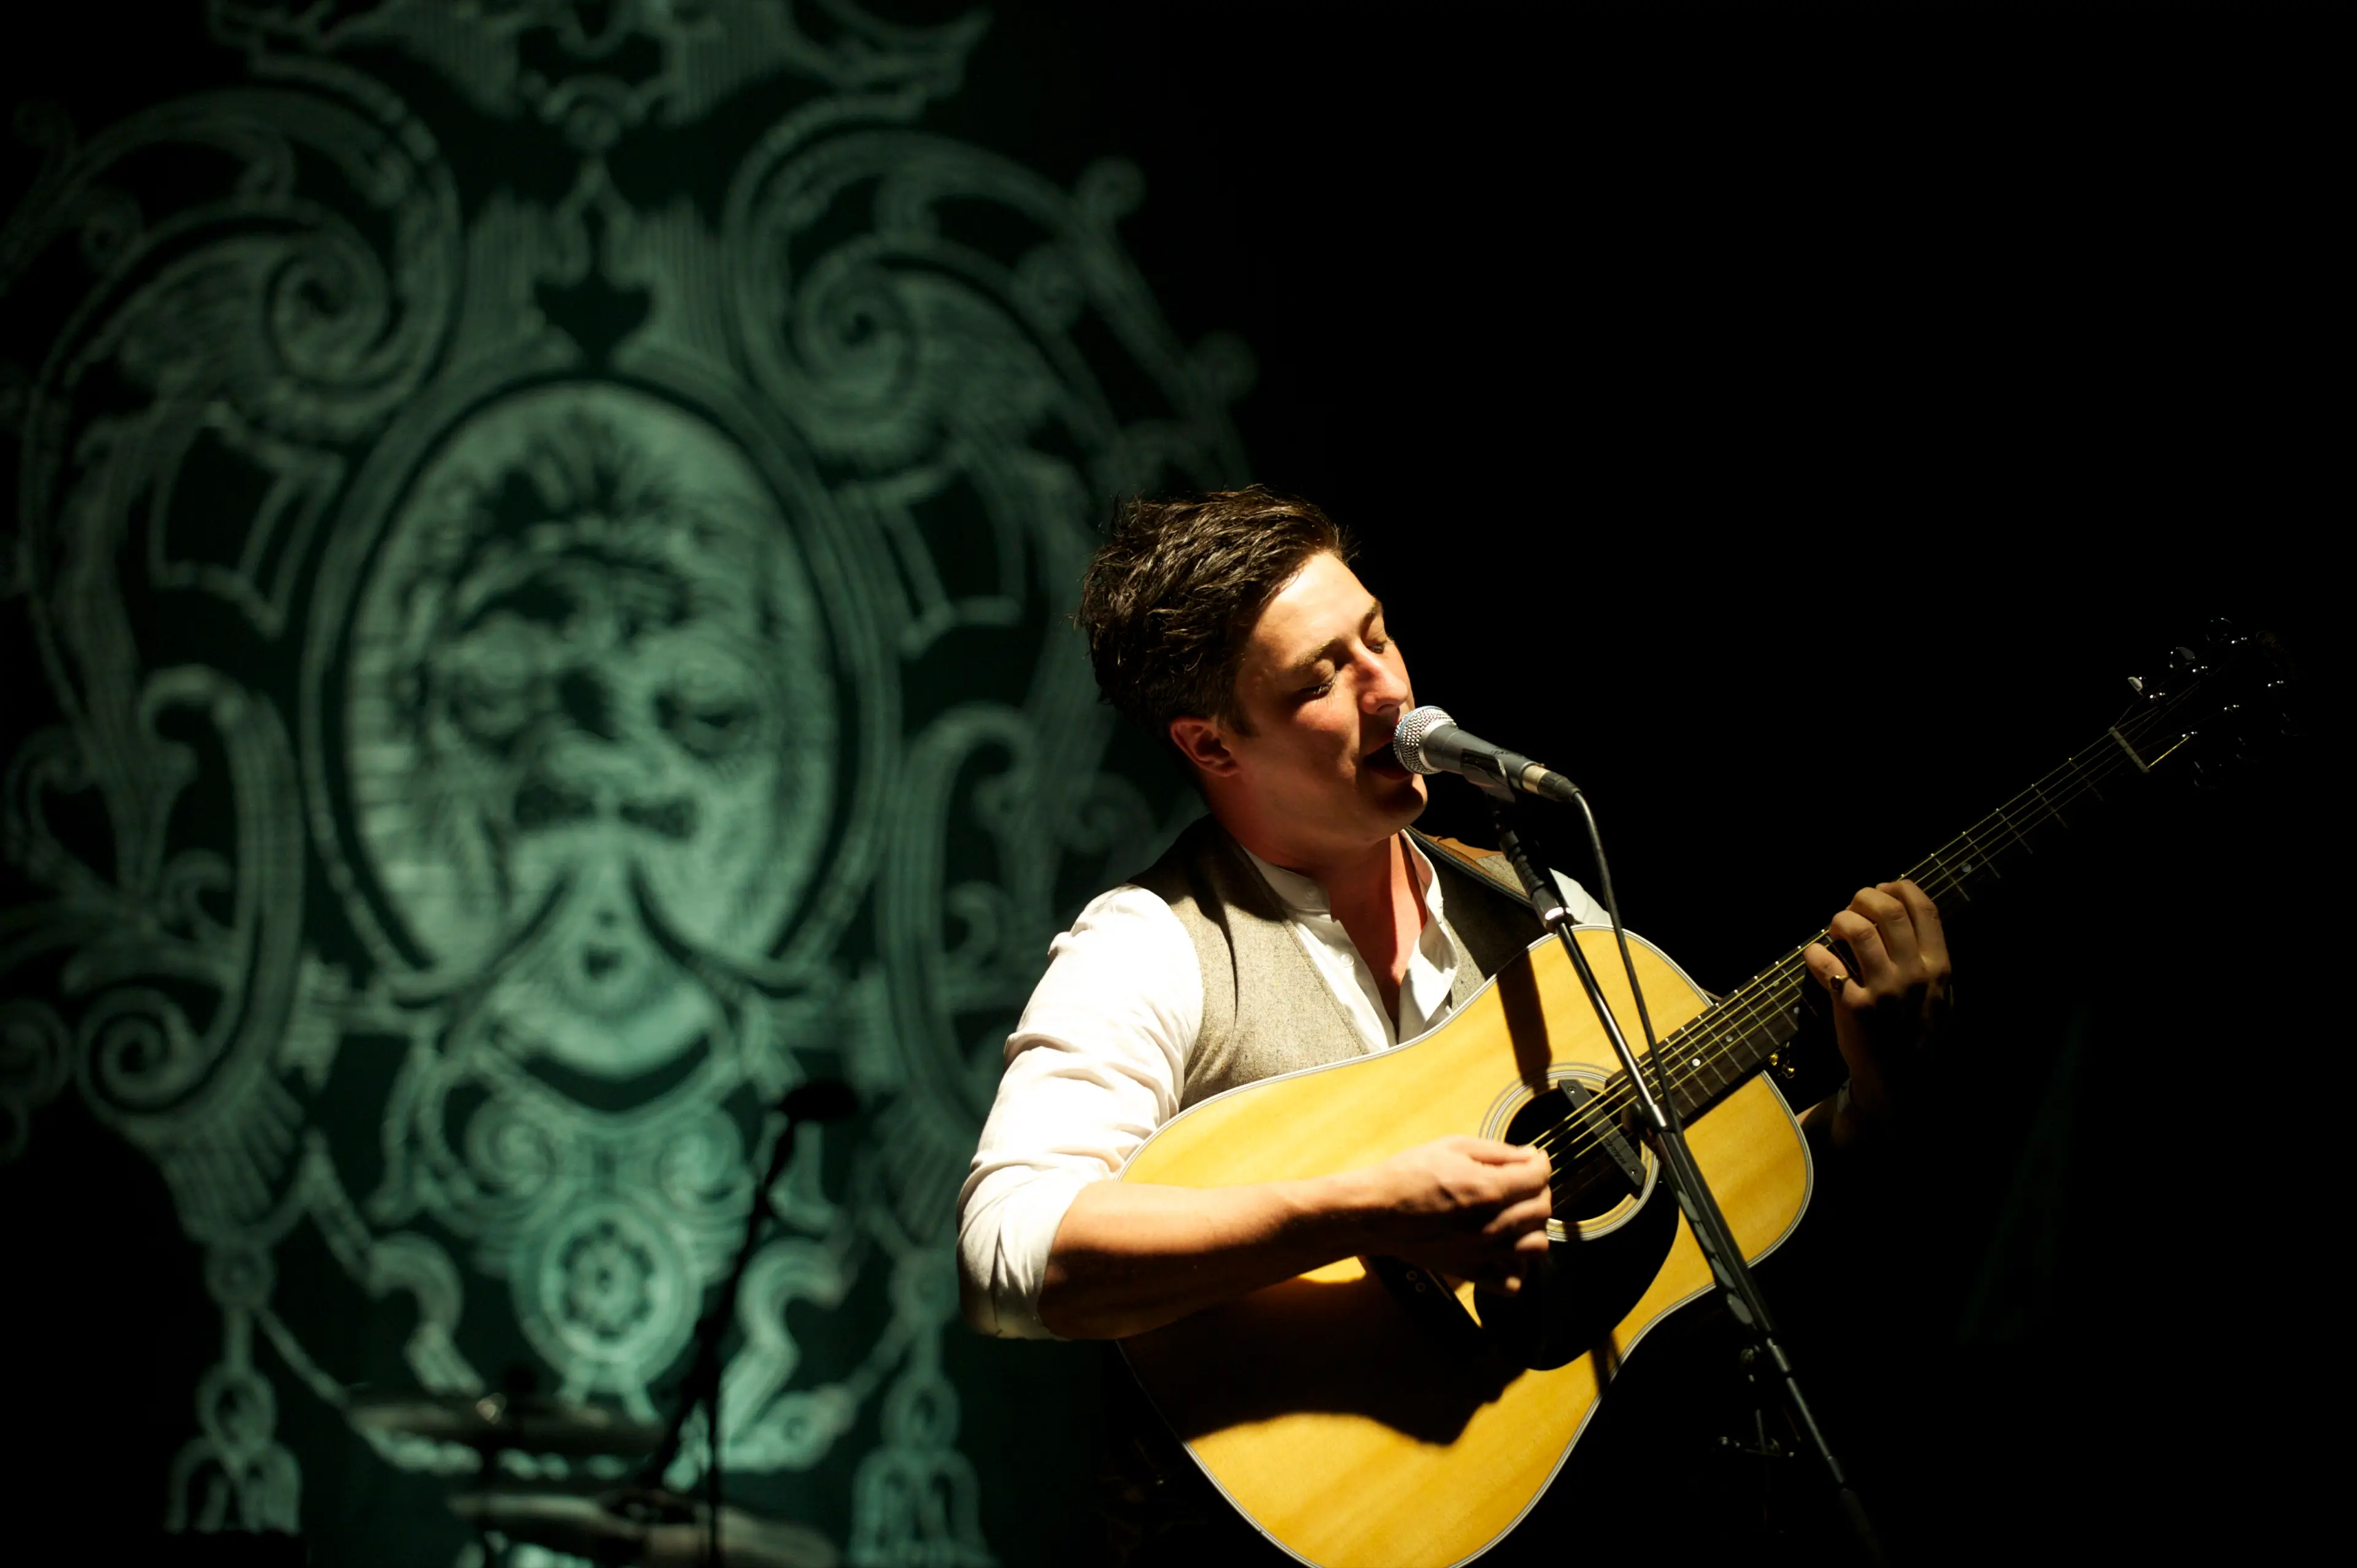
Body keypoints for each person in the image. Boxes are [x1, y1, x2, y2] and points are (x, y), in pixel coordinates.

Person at [954, 487, 1952, 1562]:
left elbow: (1730, 1228)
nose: (1387, 689)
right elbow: (1008, 1254)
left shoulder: (1547, 916)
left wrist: (1880, 1091)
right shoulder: (1150, 943)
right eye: (1320, 678)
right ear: (1215, 745)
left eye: (1376, 634)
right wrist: (1361, 1210)